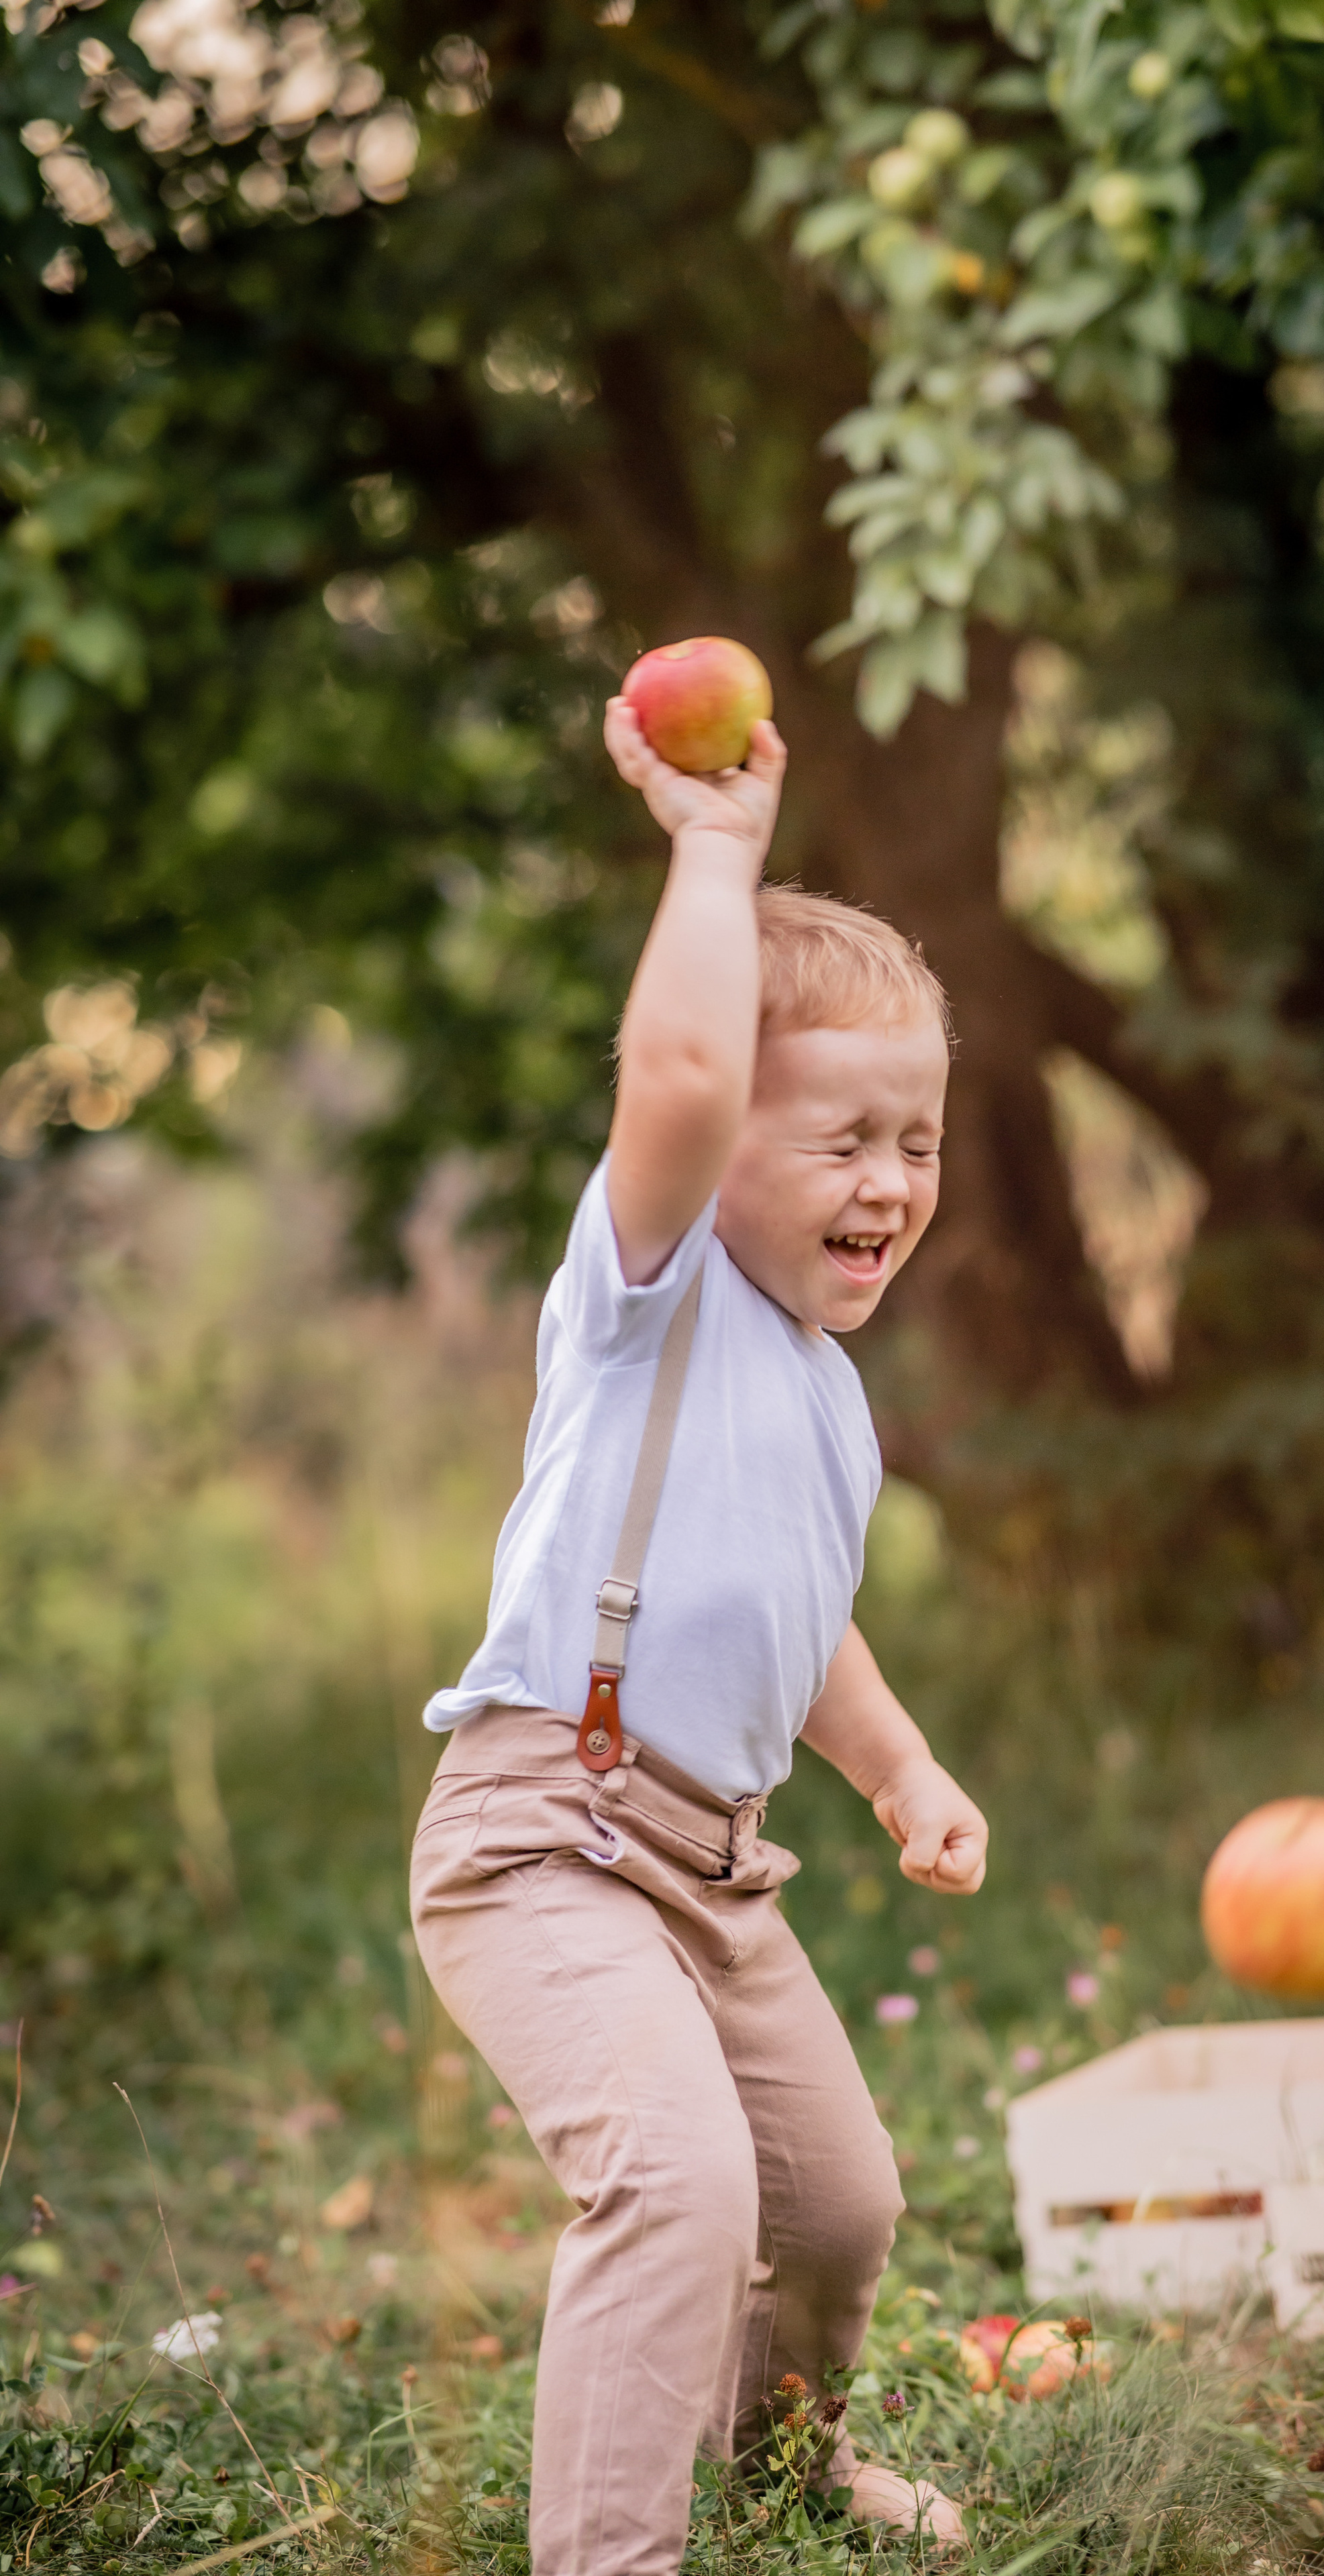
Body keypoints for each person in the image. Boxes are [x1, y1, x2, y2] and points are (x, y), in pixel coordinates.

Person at [409, 694, 989, 2576]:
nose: (889, 1182)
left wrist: (899, 1764)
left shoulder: (828, 1392)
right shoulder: (649, 1293)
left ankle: (782, 2460)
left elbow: (801, 1623)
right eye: (843, 1140)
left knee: (838, 2209)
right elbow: (672, 1068)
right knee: (677, 2183)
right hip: (547, 1838)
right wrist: (715, 850)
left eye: (918, 1140)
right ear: (725, 1133)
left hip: (714, 1873)